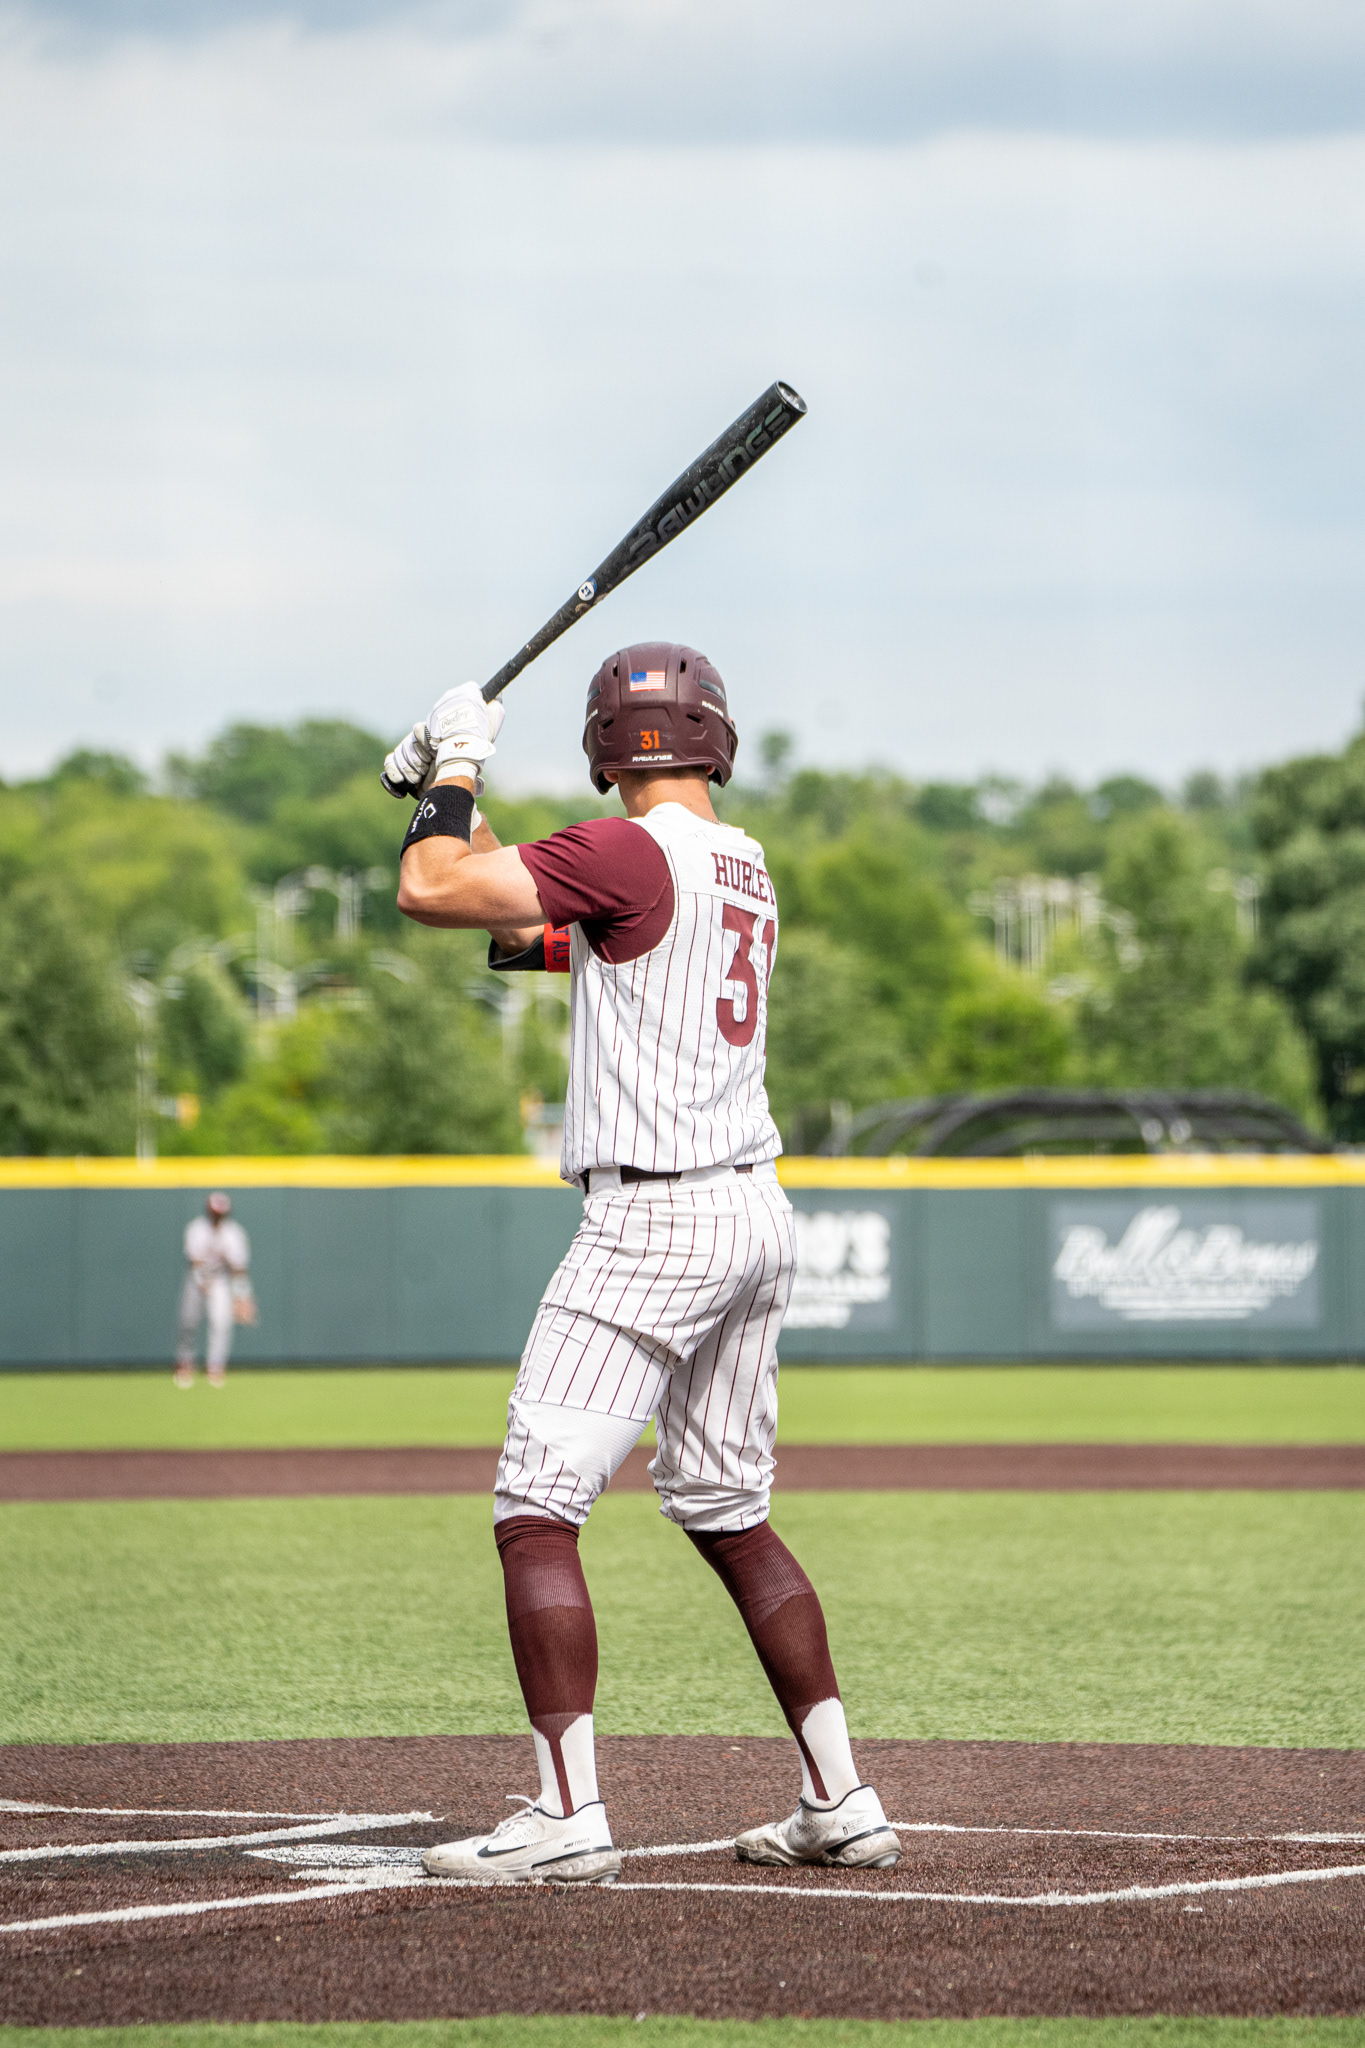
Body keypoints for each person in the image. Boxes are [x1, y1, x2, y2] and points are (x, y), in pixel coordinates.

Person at [384, 644, 900, 1885]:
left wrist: (454, 761)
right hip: (753, 1209)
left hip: (656, 1220)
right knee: (730, 1509)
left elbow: (431, 893)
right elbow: (521, 926)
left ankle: (567, 1811)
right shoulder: (741, 864)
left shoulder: (623, 853)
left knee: (535, 1503)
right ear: (715, 740)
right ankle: (841, 1795)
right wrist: (428, 801)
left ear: (606, 747)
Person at [175, 1192, 255, 1388]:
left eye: (221, 1213)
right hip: (196, 1279)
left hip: (220, 1281)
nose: (218, 1216)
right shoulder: (197, 1228)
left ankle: (215, 1366)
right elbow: (194, 1260)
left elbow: (239, 1267)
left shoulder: (234, 1233)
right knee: (188, 1322)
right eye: (215, 1212)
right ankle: (185, 1364)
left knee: (220, 1323)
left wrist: (243, 1296)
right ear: (208, 1211)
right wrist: (203, 1280)